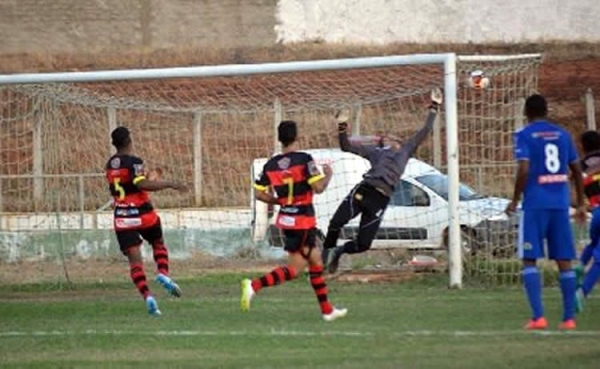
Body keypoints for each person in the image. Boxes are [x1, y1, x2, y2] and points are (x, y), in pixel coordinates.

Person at [322, 88, 443, 274]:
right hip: (366, 189)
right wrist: (342, 126)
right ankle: (325, 255)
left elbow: (426, 130)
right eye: (385, 137)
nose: (388, 137)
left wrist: (434, 107)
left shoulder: (406, 150)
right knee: (336, 223)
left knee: (363, 244)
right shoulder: (375, 151)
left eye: (391, 137)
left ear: (399, 141)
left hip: (381, 199)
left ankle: (339, 251)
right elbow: (345, 146)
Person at [241, 120, 347, 321]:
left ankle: (327, 311)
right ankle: (253, 286)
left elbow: (258, 193)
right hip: (303, 221)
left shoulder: (271, 165)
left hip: (287, 220)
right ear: (296, 136)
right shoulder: (304, 160)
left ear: (279, 139)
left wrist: (278, 200)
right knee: (295, 269)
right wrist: (328, 175)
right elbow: (319, 188)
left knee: (315, 262)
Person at [505, 94, 586, 330]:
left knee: (529, 259)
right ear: (546, 111)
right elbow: (577, 169)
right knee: (564, 260)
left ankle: (538, 317)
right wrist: (580, 202)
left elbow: (524, 169)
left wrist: (514, 199)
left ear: (526, 113)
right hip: (560, 203)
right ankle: (568, 318)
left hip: (535, 204)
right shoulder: (563, 134)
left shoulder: (524, 135)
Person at [105, 127, 188, 316]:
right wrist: (170, 184)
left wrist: (148, 178)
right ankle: (163, 273)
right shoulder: (134, 161)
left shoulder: (109, 165)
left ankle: (148, 297)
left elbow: (127, 186)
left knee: (135, 263)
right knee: (158, 243)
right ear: (129, 140)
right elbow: (141, 184)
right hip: (143, 214)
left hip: (122, 217)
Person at [574, 130, 600, 311]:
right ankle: (581, 292)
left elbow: (575, 182)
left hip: (596, 212)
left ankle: (580, 265)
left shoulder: (581, 166)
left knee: (594, 242)